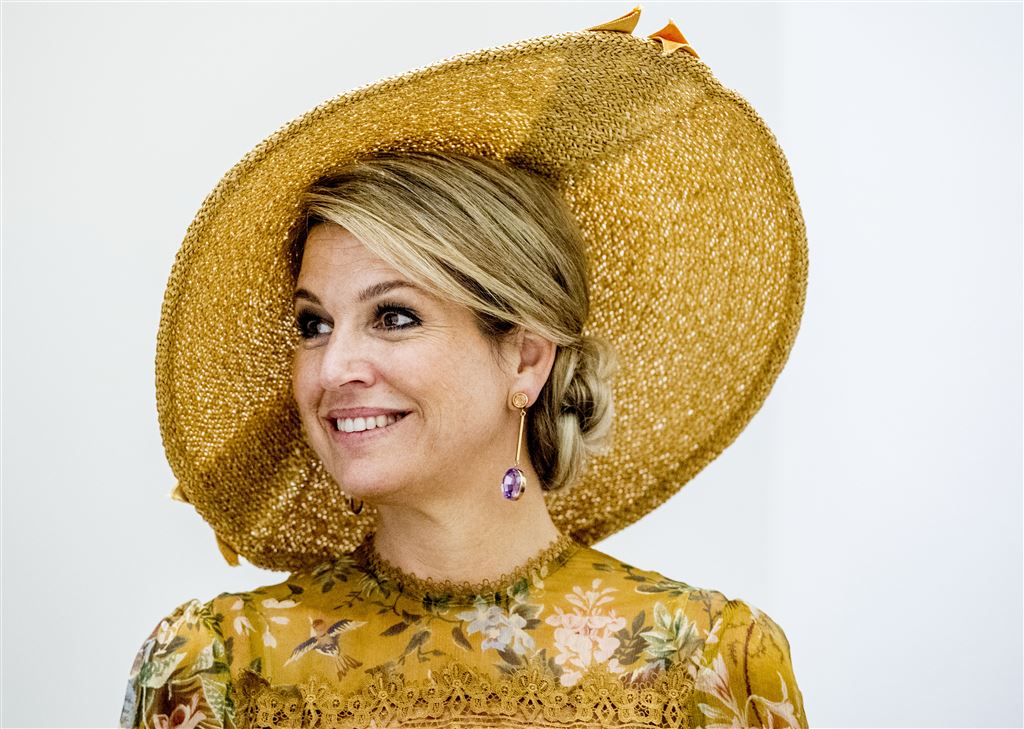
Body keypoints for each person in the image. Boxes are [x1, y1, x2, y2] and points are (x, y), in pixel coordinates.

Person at [120, 7, 810, 728]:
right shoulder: (216, 666)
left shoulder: (708, 665)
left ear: (526, 358)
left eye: (393, 316)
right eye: (313, 325)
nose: (332, 368)